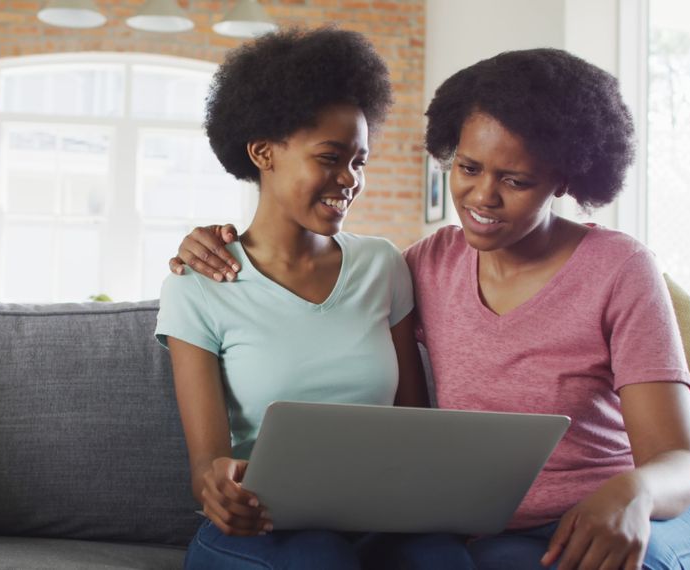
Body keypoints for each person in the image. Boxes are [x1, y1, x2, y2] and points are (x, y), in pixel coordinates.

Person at [169, 48, 690, 570]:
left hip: (628, 513)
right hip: (493, 536)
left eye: (515, 180)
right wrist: (207, 245)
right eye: (468, 169)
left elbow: (679, 461)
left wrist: (633, 493)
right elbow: (319, 291)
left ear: (563, 179)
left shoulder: (617, 267)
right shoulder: (425, 266)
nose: (482, 198)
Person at [155, 26, 466, 570]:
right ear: (262, 153)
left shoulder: (382, 266)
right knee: (319, 559)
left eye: (360, 161)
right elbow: (206, 463)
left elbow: (414, 428)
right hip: (262, 526)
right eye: (331, 156)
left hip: (377, 521)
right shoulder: (199, 282)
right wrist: (219, 486)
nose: (349, 178)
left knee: (445, 561)